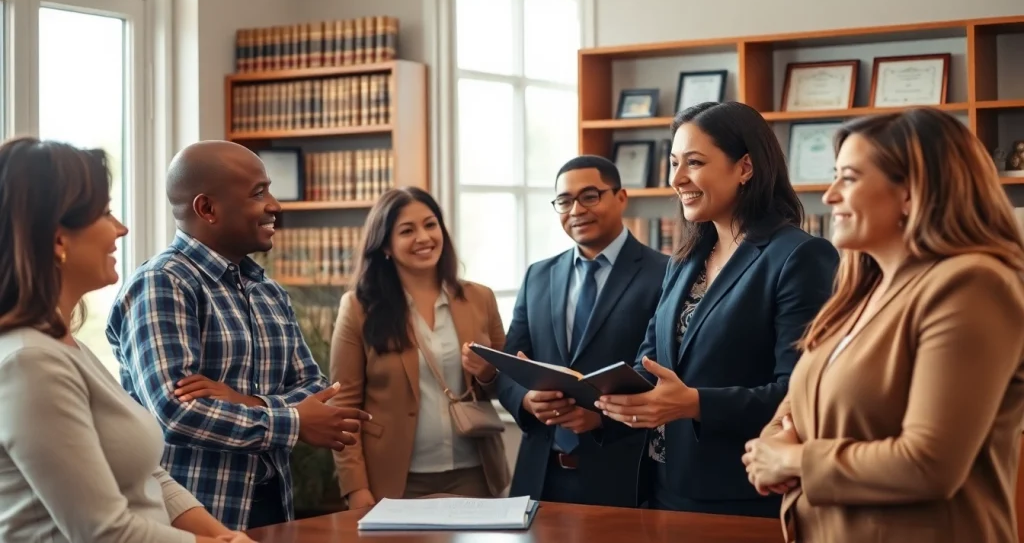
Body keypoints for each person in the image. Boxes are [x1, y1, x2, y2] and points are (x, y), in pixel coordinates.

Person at [743, 108, 1024, 543]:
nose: (830, 195)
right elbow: (796, 407)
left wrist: (794, 462)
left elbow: (929, 464)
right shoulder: (857, 293)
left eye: (849, 178)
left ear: (911, 192)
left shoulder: (972, 284)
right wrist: (771, 447)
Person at [0, 137, 256, 543]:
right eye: (104, 213)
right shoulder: (30, 363)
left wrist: (222, 535)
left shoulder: (69, 349)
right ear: (58, 240)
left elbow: (149, 476)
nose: (121, 228)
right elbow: (103, 532)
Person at [107, 140, 369, 532]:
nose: (275, 205)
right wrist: (293, 422)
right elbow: (176, 415)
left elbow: (316, 390)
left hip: (273, 511)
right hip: (192, 520)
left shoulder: (267, 290)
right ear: (207, 209)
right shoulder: (163, 284)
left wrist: (242, 401)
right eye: (258, 193)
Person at [595, 101, 839, 517]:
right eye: (673, 163)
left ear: (745, 167)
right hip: (662, 486)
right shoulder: (685, 258)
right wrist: (595, 397)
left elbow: (801, 394)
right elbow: (649, 363)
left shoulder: (800, 256)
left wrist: (693, 403)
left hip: (744, 497)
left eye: (694, 162)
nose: (677, 179)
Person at [494, 155, 668, 507]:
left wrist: (601, 416)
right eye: (564, 200)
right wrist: (527, 400)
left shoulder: (666, 273)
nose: (576, 209)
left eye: (590, 196)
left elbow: (662, 372)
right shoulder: (538, 276)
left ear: (620, 198)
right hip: (540, 477)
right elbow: (509, 364)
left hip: (623, 475)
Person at [331, 187, 510, 509]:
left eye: (430, 225)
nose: (424, 237)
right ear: (385, 244)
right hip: (393, 479)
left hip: (474, 473)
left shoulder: (480, 298)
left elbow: (506, 385)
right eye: (407, 230)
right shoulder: (358, 307)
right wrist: (356, 488)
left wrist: (486, 373)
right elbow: (344, 407)